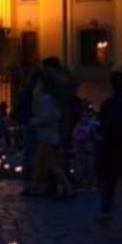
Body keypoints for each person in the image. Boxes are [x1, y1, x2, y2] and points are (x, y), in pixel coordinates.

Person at [96, 71, 122, 227]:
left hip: (111, 146)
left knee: (109, 182)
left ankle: (106, 211)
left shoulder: (108, 104)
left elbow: (104, 126)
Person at [25, 63, 74, 198]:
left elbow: (46, 117)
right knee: (45, 163)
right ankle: (35, 187)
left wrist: (35, 121)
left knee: (48, 164)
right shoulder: (51, 98)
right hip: (48, 135)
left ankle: (67, 188)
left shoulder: (47, 99)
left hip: (47, 135)